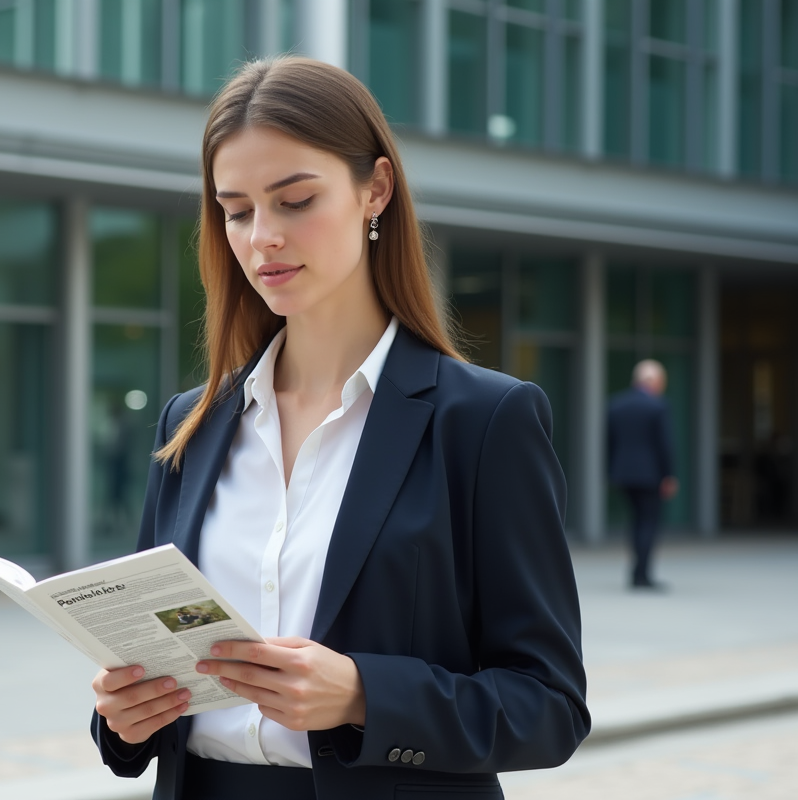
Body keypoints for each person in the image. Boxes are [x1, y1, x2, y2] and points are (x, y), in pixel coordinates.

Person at [89, 56, 589, 800]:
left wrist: (362, 695)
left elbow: (548, 707)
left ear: (375, 190)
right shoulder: (191, 422)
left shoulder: (484, 421)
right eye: (237, 209)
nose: (263, 237)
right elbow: (155, 683)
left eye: (294, 200)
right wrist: (123, 717)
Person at [606, 360, 678, 590]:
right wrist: (669, 475)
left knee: (636, 522)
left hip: (624, 473)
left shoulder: (616, 404)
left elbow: (609, 442)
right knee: (648, 523)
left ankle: (636, 572)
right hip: (650, 475)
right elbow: (664, 445)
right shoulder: (657, 406)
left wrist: (610, 470)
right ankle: (642, 576)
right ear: (654, 381)